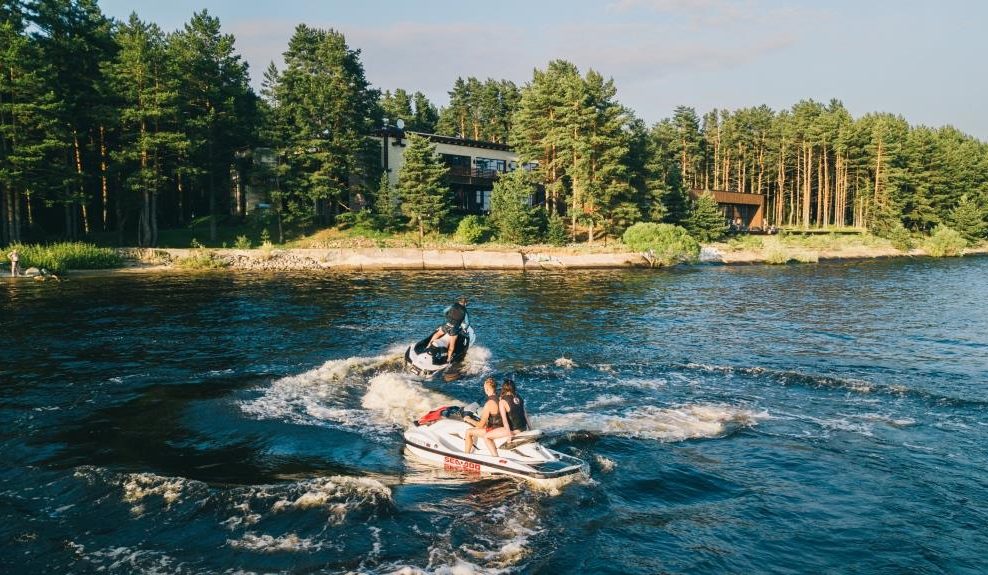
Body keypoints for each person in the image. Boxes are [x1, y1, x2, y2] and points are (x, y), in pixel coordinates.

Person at [464, 377, 502, 454]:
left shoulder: (489, 404)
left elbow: (480, 425)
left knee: (468, 432)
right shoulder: (500, 398)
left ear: (487, 389)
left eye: (484, 388)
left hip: (494, 429)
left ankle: (465, 456)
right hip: (501, 426)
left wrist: (468, 419)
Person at [427, 296, 470, 364]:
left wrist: (448, 317)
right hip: (454, 329)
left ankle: (428, 346)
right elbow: (467, 323)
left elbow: (444, 311)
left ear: (459, 302)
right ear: (465, 304)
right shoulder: (465, 311)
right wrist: (464, 329)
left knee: (437, 334)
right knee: (452, 344)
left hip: (447, 325)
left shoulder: (453, 306)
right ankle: (448, 359)